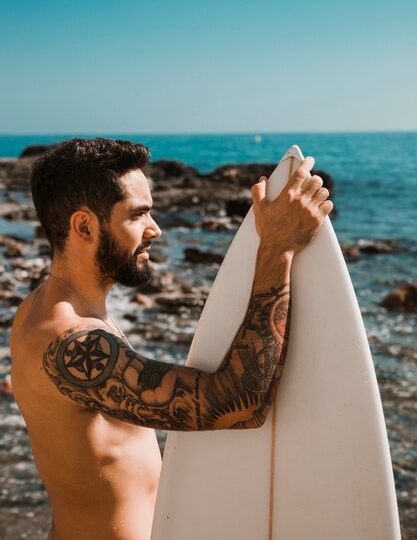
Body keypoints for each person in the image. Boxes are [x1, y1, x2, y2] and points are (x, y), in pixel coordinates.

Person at [10, 138, 332, 540]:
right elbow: (237, 403)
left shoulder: (47, 305)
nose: (155, 229)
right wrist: (277, 250)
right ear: (84, 226)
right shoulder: (67, 339)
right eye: (138, 214)